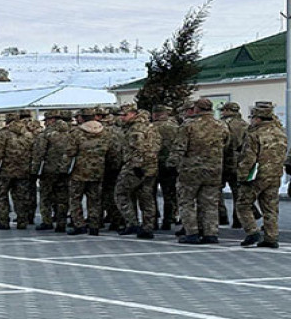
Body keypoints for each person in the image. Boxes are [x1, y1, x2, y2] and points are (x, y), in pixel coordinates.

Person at [173, 97, 229, 245]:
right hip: (214, 170)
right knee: (210, 203)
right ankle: (211, 233)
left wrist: (172, 164)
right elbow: (226, 144)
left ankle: (192, 233)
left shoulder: (188, 125)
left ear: (197, 109)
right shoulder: (221, 125)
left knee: (187, 202)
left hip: (191, 170)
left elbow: (179, 147)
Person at [236, 101, 286, 248]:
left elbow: (249, 158)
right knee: (270, 207)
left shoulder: (254, 134)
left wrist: (242, 176)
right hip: (275, 174)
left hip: (257, 175)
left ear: (258, 118)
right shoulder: (280, 133)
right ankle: (271, 237)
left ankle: (252, 232)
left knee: (243, 204)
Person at [66, 107, 119, 236]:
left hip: (79, 171)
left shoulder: (76, 133)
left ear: (82, 118)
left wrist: (64, 168)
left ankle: (79, 224)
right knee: (95, 199)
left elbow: (70, 152)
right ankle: (94, 225)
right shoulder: (105, 132)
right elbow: (113, 152)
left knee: (75, 199)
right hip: (98, 171)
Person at [113, 104, 161, 238]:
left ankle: (132, 222)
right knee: (147, 197)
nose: (122, 118)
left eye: (125, 115)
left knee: (120, 193)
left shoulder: (135, 129)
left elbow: (139, 149)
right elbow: (157, 145)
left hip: (136, 166)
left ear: (133, 114)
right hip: (151, 166)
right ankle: (148, 227)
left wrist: (137, 166)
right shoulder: (151, 126)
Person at [0, 111, 36, 229]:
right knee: (21, 197)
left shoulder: (3, 134)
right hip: (23, 170)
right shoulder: (28, 134)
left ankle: (3, 221)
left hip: (5, 170)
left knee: (2, 196)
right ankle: (22, 221)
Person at [32, 110, 73, 232]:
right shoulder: (71, 134)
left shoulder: (46, 135)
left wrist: (34, 171)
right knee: (63, 197)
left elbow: (39, 154)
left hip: (48, 170)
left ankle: (47, 221)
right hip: (66, 170)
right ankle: (61, 222)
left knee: (46, 197)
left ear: (51, 120)